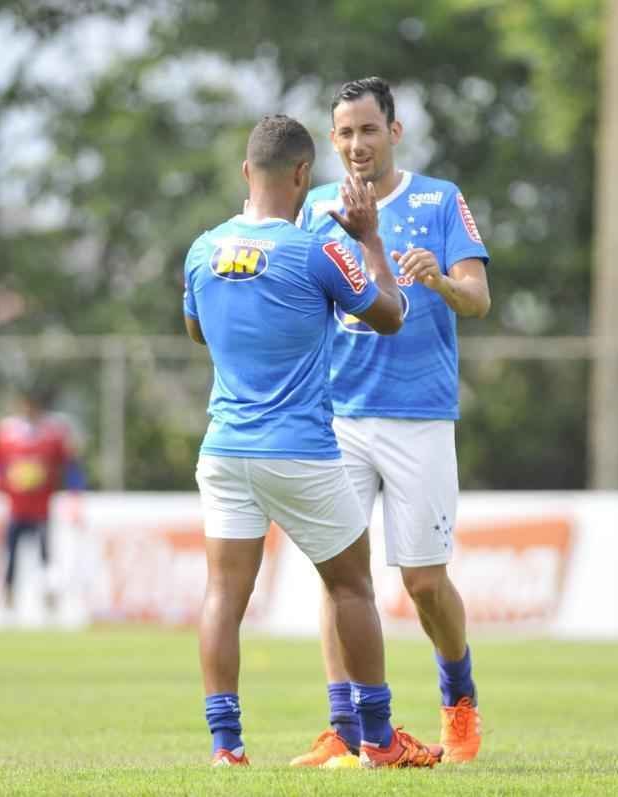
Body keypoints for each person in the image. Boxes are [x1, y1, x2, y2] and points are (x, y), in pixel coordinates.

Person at [183, 113, 440, 769]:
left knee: (223, 595)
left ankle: (226, 747)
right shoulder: (318, 250)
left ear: (247, 172)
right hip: (297, 447)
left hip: (224, 448)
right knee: (351, 586)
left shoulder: (202, 248)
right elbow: (391, 315)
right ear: (304, 175)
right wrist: (372, 240)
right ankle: (379, 738)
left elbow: (196, 331)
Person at [291, 76, 492, 767]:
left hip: (420, 416)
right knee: (340, 576)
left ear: (394, 132)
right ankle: (344, 727)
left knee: (424, 583)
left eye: (368, 130)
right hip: (337, 418)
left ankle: (458, 694)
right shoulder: (313, 208)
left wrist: (436, 279)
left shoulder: (439, 199)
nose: (355, 144)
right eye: (343, 132)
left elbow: (479, 299)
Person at [0, 381, 86, 615]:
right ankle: (8, 599)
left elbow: (71, 467)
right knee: (10, 555)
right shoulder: (5, 433)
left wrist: (75, 495)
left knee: (46, 556)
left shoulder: (55, 433)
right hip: (15, 509)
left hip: (42, 509)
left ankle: (49, 598)